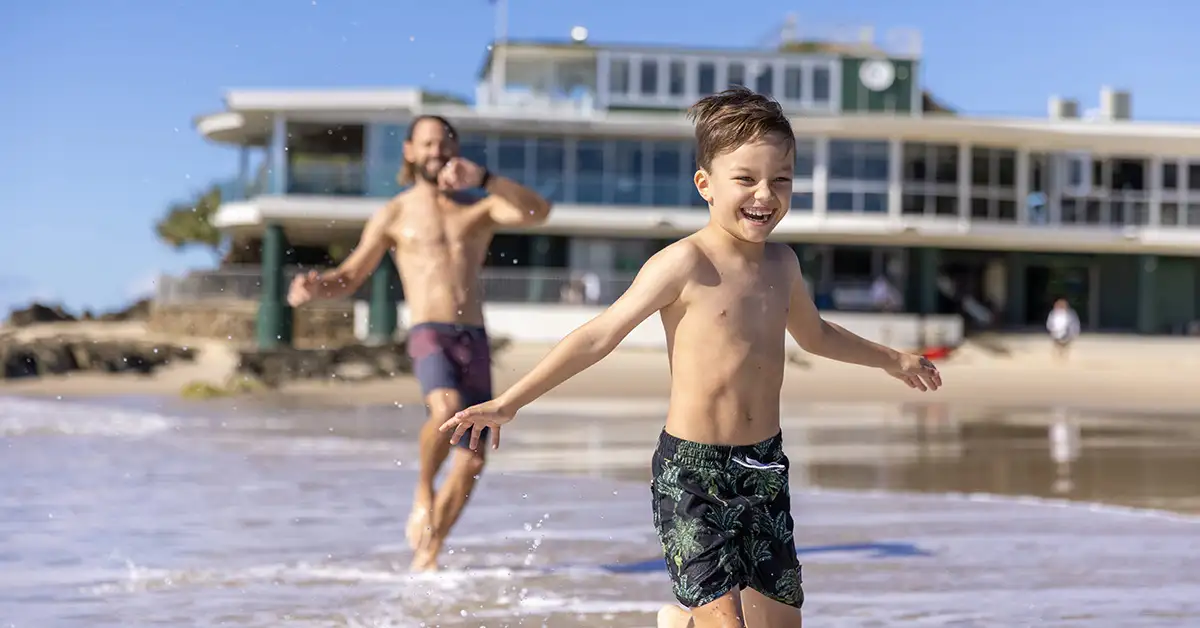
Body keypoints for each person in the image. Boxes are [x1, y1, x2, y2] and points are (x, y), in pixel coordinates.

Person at [437, 87, 943, 628]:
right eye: (746, 179)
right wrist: (510, 402)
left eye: (781, 180)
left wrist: (893, 359)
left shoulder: (784, 264)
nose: (765, 195)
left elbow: (816, 335)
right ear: (705, 184)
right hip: (692, 473)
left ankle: (680, 623)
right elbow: (599, 334)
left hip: (764, 466)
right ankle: (689, 621)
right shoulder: (683, 263)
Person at [286, 114, 552, 571]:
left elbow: (538, 212)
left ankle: (429, 553)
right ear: (410, 151)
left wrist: (486, 179)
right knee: (446, 411)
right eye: (428, 144)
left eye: (446, 144)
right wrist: (317, 287)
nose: (437, 151)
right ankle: (422, 491)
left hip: (474, 337)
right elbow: (350, 275)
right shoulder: (395, 212)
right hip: (430, 332)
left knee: (471, 460)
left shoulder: (479, 206)